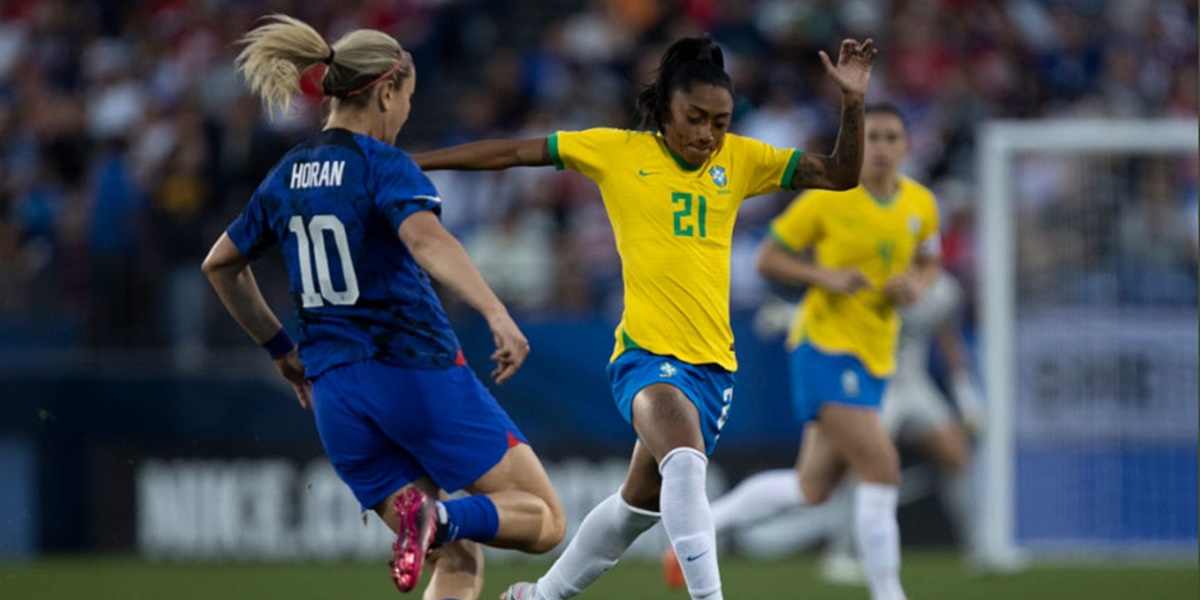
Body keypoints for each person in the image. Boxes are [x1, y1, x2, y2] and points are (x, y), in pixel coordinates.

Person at [412, 36, 877, 600]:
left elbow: (840, 175)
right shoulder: (617, 151)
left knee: (639, 505)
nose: (707, 134)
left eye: (721, 122)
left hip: (713, 368)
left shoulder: (743, 159)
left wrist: (852, 104)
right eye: (695, 118)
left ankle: (537, 597)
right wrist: (411, 163)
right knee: (684, 465)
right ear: (664, 111)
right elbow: (513, 152)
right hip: (646, 357)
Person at [200, 15, 565, 598]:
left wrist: (279, 351)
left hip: (335, 396)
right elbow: (426, 239)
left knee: (458, 556)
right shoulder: (381, 162)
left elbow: (219, 265)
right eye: (408, 99)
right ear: (386, 90)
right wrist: (497, 312)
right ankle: (437, 517)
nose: (406, 114)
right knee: (544, 520)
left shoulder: (287, 172)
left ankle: (435, 522)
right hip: (411, 369)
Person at [665, 103, 940, 600]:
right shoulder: (828, 200)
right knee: (882, 465)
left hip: (876, 355)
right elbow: (766, 258)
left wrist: (916, 287)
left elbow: (929, 259)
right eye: (871, 137)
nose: (879, 147)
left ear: (905, 146)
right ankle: (889, 593)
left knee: (811, 488)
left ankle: (704, 526)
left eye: (890, 137)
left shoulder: (920, 204)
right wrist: (825, 276)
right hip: (825, 348)